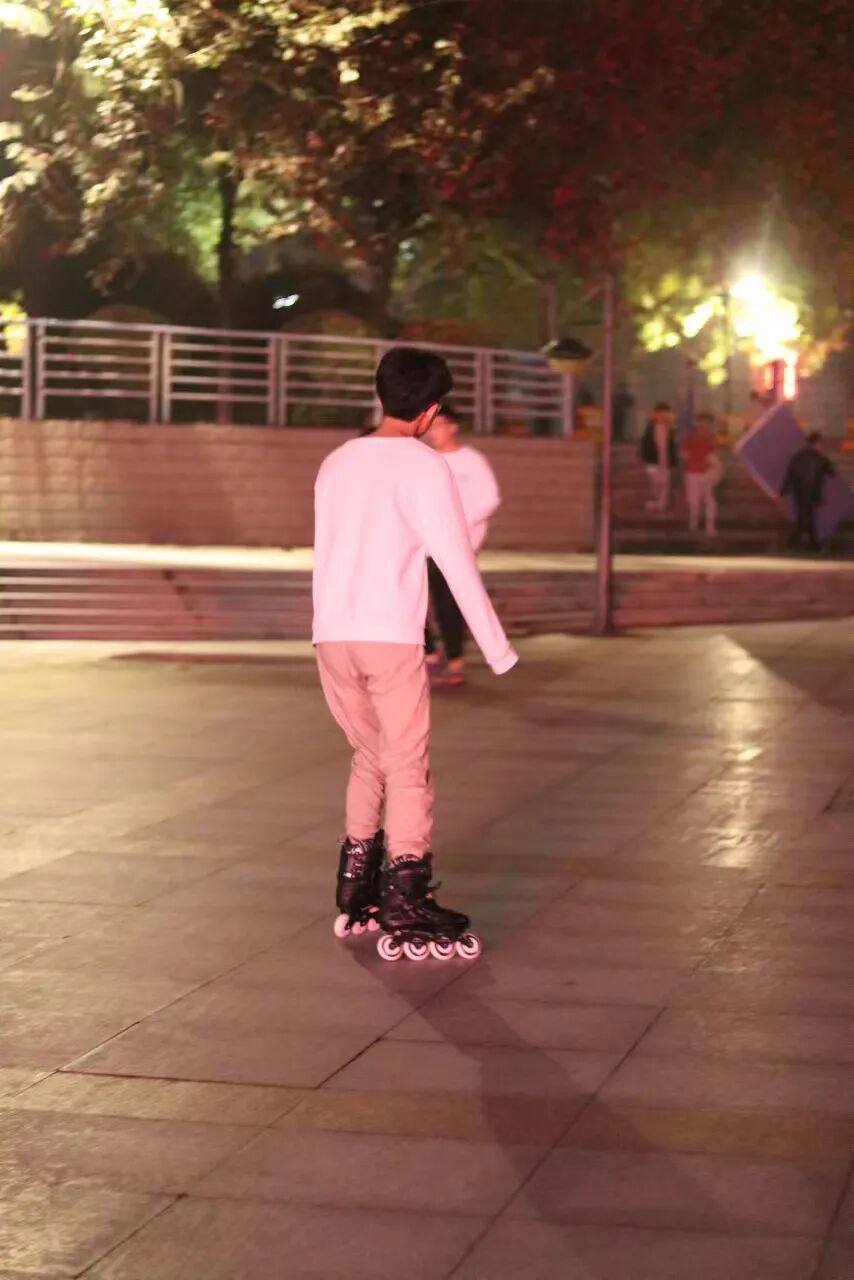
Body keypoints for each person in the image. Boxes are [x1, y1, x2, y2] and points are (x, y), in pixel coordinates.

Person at [313, 346, 518, 961]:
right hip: (389, 633)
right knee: (406, 763)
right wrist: (497, 648)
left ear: (382, 395)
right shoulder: (425, 466)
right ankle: (406, 891)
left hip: (332, 632)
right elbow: (455, 559)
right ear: (430, 409)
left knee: (369, 755)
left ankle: (355, 884)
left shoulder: (336, 462)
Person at [424, 401, 501, 686]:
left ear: (453, 427)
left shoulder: (471, 460)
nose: (432, 432)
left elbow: (489, 498)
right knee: (410, 597)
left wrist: (458, 523)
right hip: (424, 540)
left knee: (447, 600)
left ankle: (454, 660)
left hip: (458, 543)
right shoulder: (424, 460)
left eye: (437, 425)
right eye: (429, 426)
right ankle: (430, 652)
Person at [781, 431, 835, 551]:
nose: (821, 445)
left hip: (799, 492)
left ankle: (800, 541)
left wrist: (784, 489)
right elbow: (832, 472)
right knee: (807, 516)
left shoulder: (799, 456)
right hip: (812, 493)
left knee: (804, 516)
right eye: (820, 443)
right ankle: (808, 542)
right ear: (816, 443)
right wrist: (827, 459)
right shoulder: (820, 458)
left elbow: (790, 473)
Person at [681, 411, 721, 536]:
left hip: (706, 473)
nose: (703, 424)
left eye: (707, 422)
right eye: (701, 421)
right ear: (697, 423)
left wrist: (714, 470)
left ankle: (710, 526)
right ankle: (693, 522)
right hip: (691, 473)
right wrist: (691, 461)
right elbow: (683, 453)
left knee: (709, 500)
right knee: (693, 501)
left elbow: (714, 455)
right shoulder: (690, 437)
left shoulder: (712, 437)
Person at [639, 401, 677, 512]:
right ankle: (657, 501)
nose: (663, 416)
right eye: (660, 414)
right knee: (655, 482)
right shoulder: (650, 429)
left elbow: (672, 447)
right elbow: (645, 444)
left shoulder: (670, 430)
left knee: (665, 482)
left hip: (665, 461)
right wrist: (645, 457)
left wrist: (672, 460)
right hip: (653, 460)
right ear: (655, 414)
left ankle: (662, 502)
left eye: (666, 414)